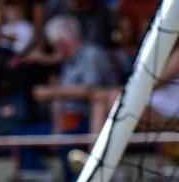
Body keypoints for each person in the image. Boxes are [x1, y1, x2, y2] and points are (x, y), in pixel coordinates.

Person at [33, 13, 122, 142]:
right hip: (69, 118)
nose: (54, 50)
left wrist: (51, 92)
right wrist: (56, 128)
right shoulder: (68, 60)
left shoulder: (92, 54)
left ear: (60, 43)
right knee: (21, 136)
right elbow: (60, 100)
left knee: (66, 142)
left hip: (92, 117)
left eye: (54, 45)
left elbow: (90, 90)